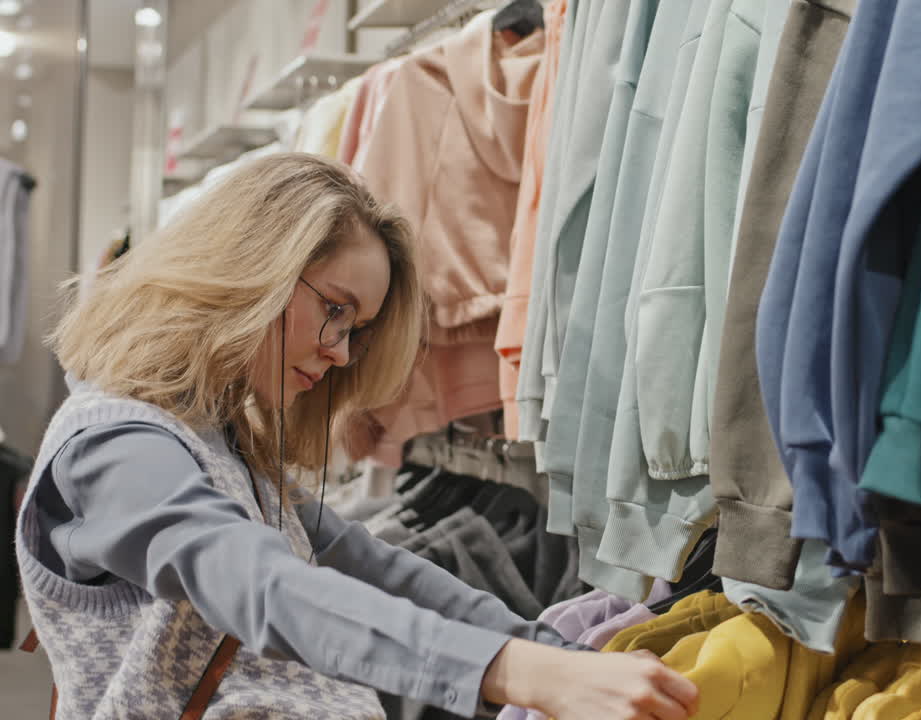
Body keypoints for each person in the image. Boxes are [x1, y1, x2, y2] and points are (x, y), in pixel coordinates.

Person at [15, 153, 699, 719]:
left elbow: (378, 569)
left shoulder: (214, 440)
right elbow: (265, 588)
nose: (341, 352)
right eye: (334, 310)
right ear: (251, 267)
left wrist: (555, 656)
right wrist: (515, 670)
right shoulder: (112, 447)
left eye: (356, 329)